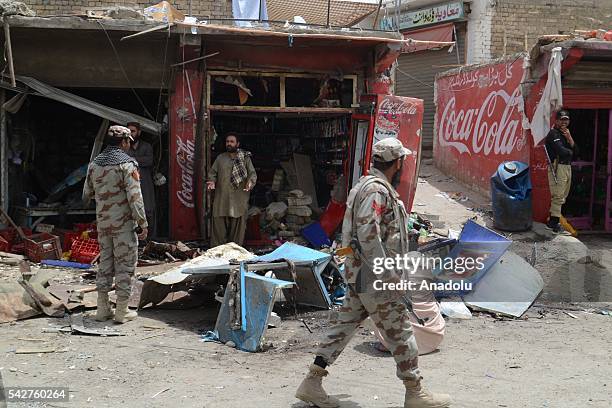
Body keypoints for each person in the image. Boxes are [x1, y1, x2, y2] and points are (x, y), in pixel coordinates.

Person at [295, 138, 451, 408]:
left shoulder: (369, 187)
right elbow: (368, 235)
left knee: (342, 328)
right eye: (403, 161)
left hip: (361, 275)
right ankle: (415, 392)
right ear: (397, 163)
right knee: (401, 332)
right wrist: (387, 274)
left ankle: (312, 381)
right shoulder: (376, 190)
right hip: (374, 278)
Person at [83, 125, 148, 324]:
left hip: (103, 224)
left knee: (105, 265)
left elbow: (87, 194)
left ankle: (102, 309)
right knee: (125, 266)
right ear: (125, 142)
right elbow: (135, 198)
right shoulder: (127, 164)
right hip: (123, 226)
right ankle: (122, 311)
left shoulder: (94, 164)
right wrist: (142, 223)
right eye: (129, 141)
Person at [207, 133, 257, 247]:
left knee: (237, 231)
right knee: (218, 229)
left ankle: (234, 253)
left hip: (239, 199)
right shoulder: (220, 158)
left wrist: (250, 183)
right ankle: (218, 253)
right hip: (222, 199)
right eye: (227, 141)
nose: (229, 144)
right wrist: (211, 181)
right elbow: (212, 173)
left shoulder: (245, 158)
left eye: (231, 141)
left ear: (237, 144)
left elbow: (252, 174)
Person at [544, 110, 577, 233]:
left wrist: (569, 138)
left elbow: (577, 151)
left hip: (567, 167)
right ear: (556, 120)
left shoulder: (565, 134)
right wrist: (570, 152)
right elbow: (561, 151)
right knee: (558, 195)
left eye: (566, 120)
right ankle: (553, 222)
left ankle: (554, 219)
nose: (564, 122)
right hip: (557, 166)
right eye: (562, 119)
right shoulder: (553, 134)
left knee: (563, 195)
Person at [127, 122, 156, 239]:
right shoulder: (125, 146)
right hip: (130, 183)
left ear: (139, 132)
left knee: (148, 209)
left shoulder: (146, 146)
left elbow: (149, 161)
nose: (131, 134)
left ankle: (150, 239)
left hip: (145, 183)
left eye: (133, 131)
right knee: (131, 211)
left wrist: (133, 159)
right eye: (128, 131)